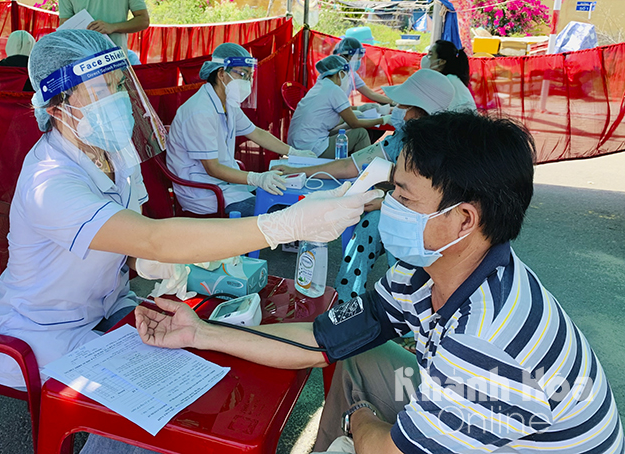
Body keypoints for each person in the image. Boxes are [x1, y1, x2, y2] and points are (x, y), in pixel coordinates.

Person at [0, 30, 379, 454]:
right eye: (102, 90)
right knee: (152, 407)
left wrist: (141, 263)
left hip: (104, 308)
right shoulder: (51, 180)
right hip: (38, 331)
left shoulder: (110, 152)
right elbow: (154, 236)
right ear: (59, 106)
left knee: (195, 356)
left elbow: (132, 234)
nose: (116, 100)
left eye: (119, 86)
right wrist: (284, 225)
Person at [137, 111, 623, 454]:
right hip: (480, 412)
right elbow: (324, 338)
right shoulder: (424, 271)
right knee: (359, 355)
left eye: (402, 197)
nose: (385, 206)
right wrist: (201, 333)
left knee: (368, 434)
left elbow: (391, 451)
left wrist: (361, 420)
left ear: (463, 221)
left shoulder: (488, 340)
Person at [276, 69, 455, 305]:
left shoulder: (446, 149)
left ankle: (408, 315)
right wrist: (298, 170)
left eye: (401, 105)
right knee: (371, 224)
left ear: (418, 112)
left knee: (395, 226)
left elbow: (436, 199)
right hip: (401, 210)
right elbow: (350, 165)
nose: (396, 110)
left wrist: (385, 202)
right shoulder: (401, 138)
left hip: (435, 222)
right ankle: (347, 304)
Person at [166, 42, 317, 217]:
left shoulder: (227, 103)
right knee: (280, 213)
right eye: (243, 74)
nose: (248, 82)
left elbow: (256, 133)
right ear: (222, 73)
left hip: (226, 184)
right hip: (205, 192)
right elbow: (212, 169)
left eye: (250, 76)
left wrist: (294, 152)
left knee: (288, 202)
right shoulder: (199, 111)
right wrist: (256, 178)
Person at [288, 55, 391, 159]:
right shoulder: (334, 90)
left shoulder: (321, 86)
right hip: (310, 147)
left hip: (299, 144)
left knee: (348, 128)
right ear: (340, 73)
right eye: (346, 74)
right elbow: (354, 123)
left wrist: (359, 110)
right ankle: (363, 168)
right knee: (360, 133)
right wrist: (383, 120)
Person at [58, 0, 150, 52]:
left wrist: (113, 27)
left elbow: (143, 20)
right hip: (83, 60)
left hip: (115, 59)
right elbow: (65, 28)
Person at [332, 37, 394, 107]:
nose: (359, 62)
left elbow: (370, 94)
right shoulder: (333, 75)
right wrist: (358, 109)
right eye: (357, 59)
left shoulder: (351, 74)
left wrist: (393, 102)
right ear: (349, 56)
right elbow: (336, 106)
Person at [421, 39, 477, 112]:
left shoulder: (447, 81)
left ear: (441, 61)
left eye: (430, 54)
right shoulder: (450, 78)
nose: (426, 58)